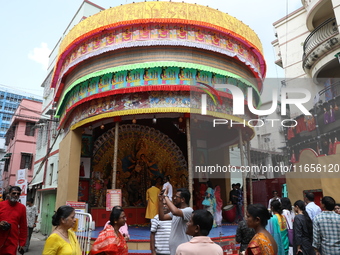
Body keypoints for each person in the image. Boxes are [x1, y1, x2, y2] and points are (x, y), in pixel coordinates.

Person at [158, 188, 193, 255]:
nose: (174, 198)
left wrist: (165, 196)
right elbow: (162, 217)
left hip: (184, 250)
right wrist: (160, 200)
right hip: (174, 251)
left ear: (182, 199)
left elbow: (175, 211)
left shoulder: (189, 210)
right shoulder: (178, 210)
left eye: (176, 197)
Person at [0, 186, 27, 255]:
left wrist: (22, 243)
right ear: (9, 194)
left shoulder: (22, 208)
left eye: (18, 194)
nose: (16, 195)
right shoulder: (1, 205)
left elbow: (23, 226)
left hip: (12, 241)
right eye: (14, 193)